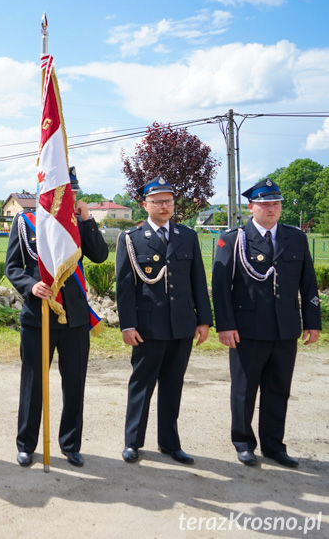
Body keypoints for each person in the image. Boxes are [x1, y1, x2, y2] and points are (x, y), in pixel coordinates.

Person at [212, 178, 320, 469]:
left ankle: (274, 445)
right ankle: (244, 443)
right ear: (251, 207)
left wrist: (312, 322)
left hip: (285, 328)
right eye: (265, 204)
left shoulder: (295, 238)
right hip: (247, 329)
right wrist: (224, 325)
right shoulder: (233, 239)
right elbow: (221, 286)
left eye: (276, 204)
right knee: (244, 389)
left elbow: (308, 284)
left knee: (278, 389)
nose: (272, 209)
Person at [5, 167, 108, 467]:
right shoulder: (26, 222)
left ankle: (71, 444)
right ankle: (26, 444)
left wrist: (87, 219)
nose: (66, 195)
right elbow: (12, 267)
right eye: (61, 189)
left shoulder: (79, 223)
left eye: (71, 189)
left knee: (74, 383)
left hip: (75, 317)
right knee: (33, 383)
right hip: (38, 316)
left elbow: (100, 255)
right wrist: (29, 285)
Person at [115, 176, 212, 465]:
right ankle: (133, 442)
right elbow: (125, 287)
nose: (164, 206)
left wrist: (203, 320)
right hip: (147, 327)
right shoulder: (131, 239)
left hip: (181, 325)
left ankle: (170, 443)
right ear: (145, 204)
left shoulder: (187, 236)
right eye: (157, 201)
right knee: (141, 386)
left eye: (168, 201)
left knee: (173, 386)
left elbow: (198, 282)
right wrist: (127, 325)